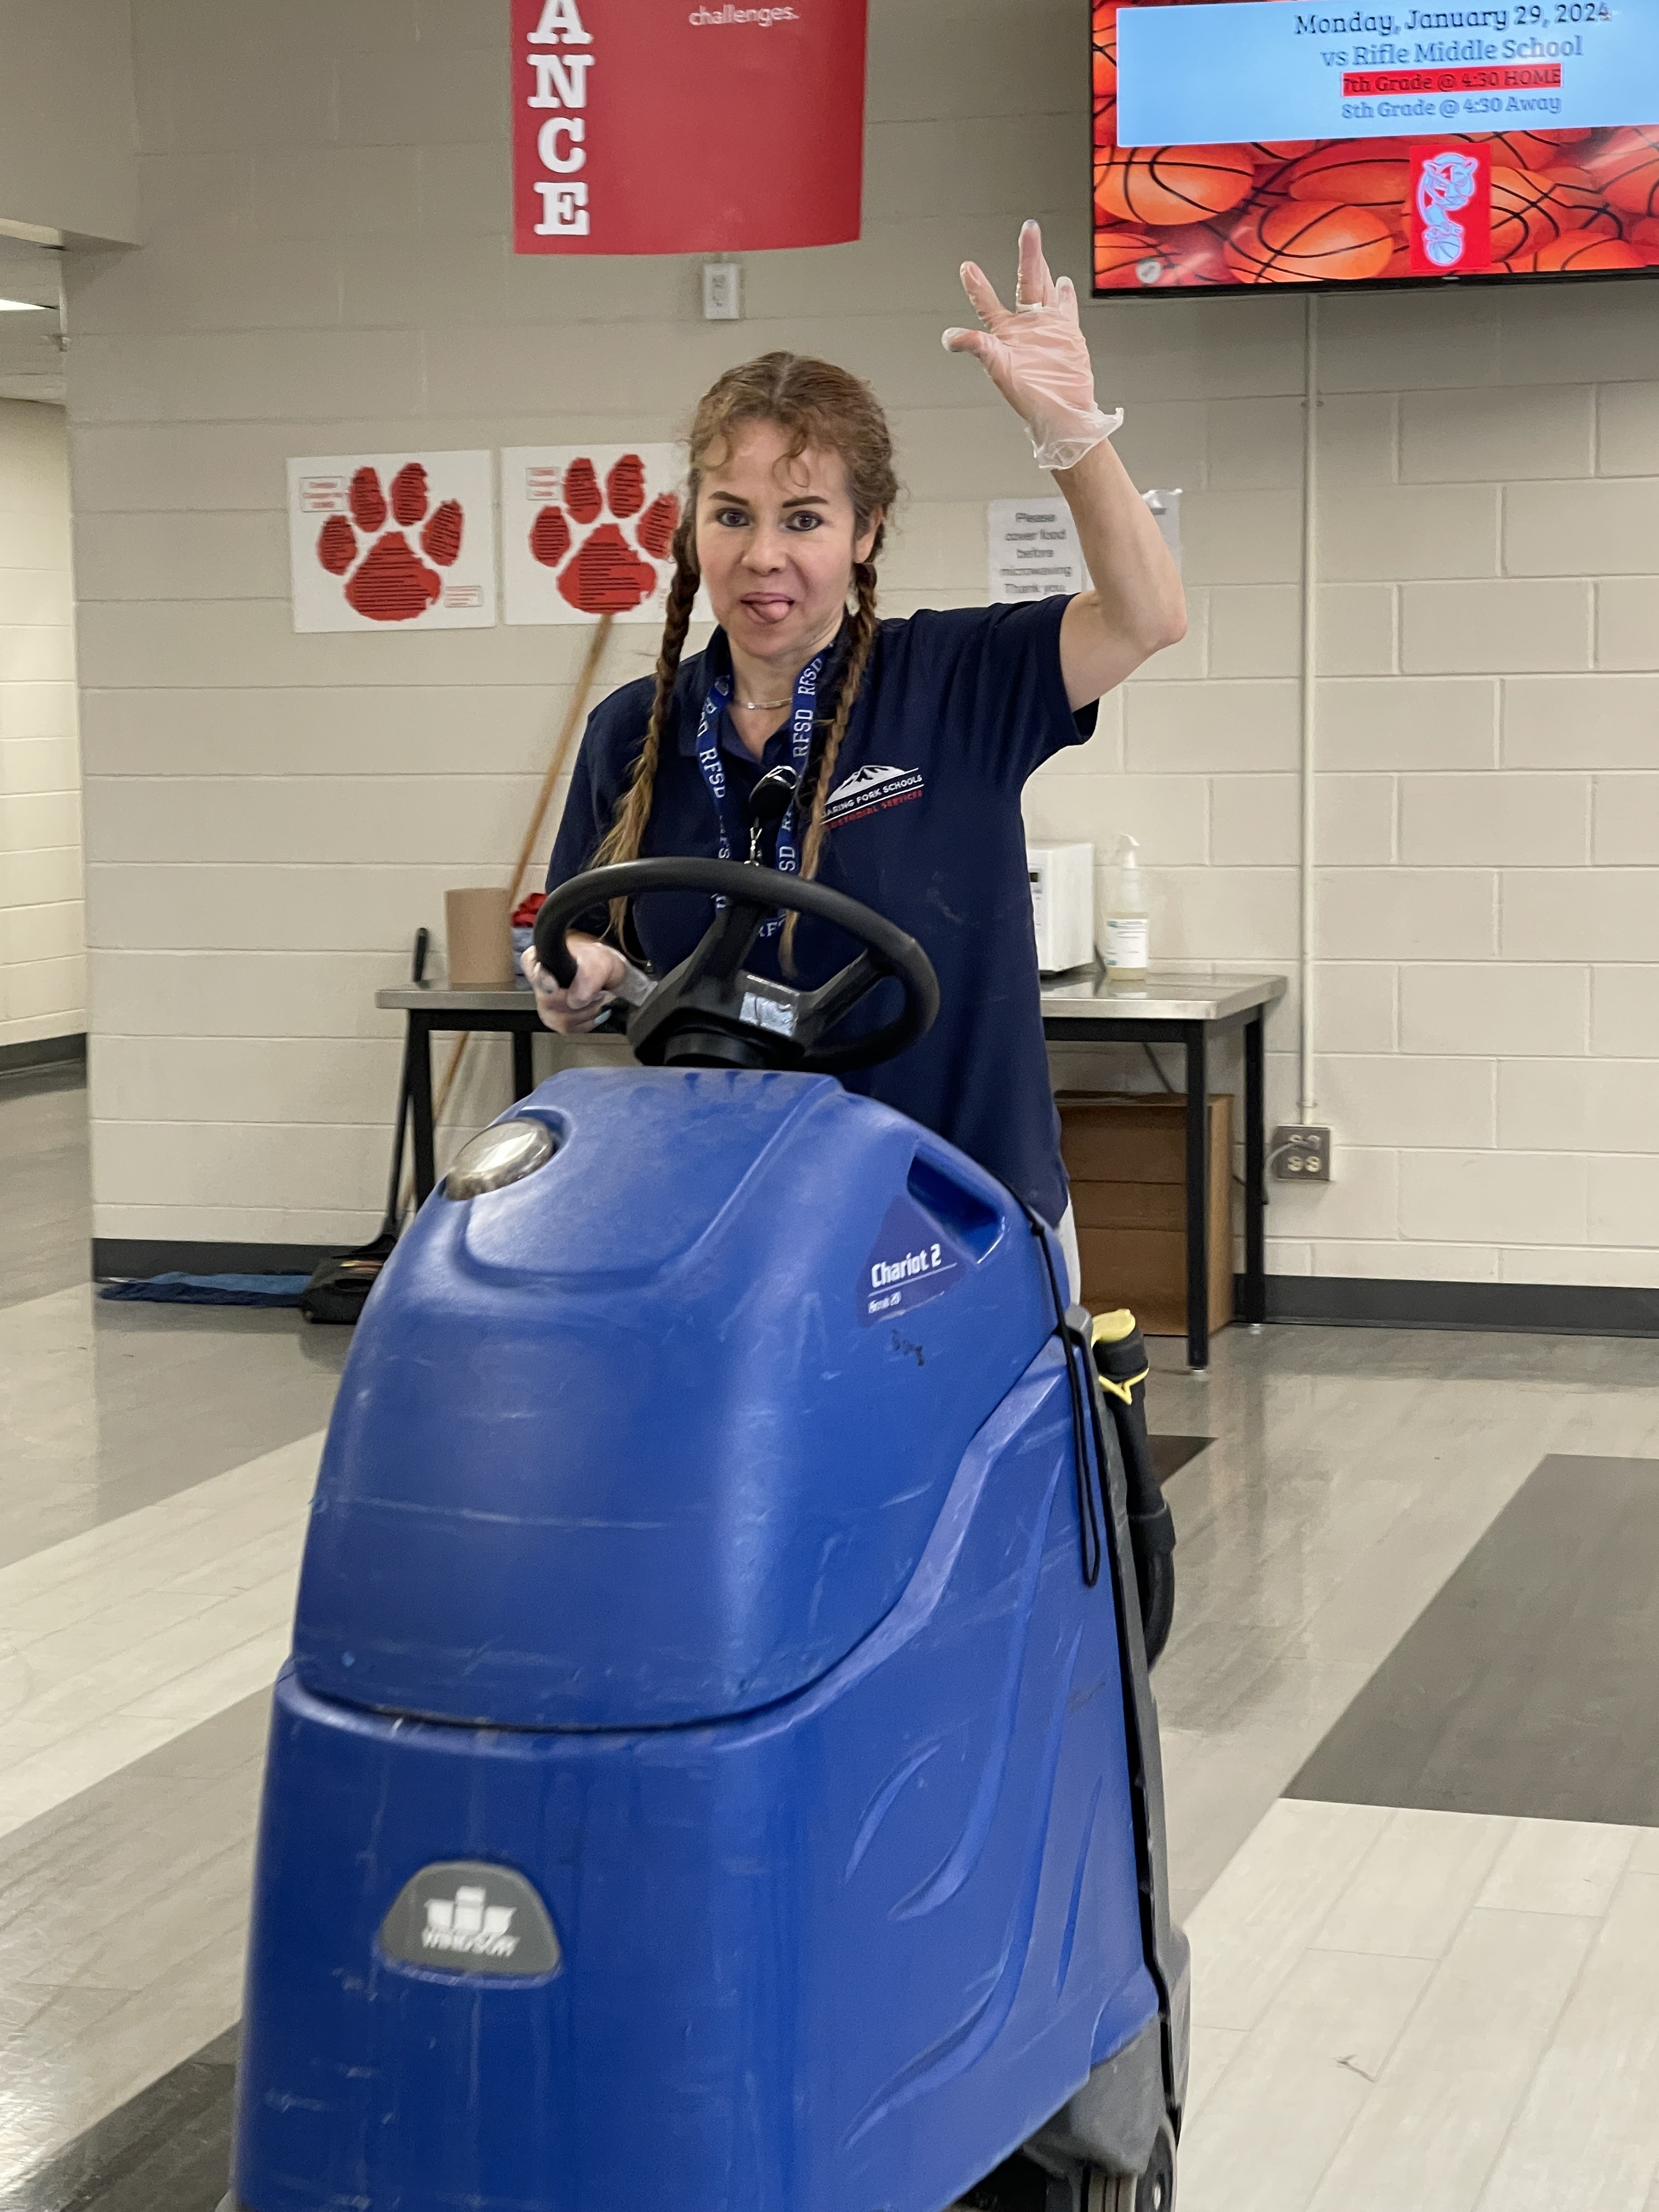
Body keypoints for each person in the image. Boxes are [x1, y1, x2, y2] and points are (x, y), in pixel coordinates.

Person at [523, 222, 1186, 1291]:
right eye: (732, 514)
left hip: (966, 1222)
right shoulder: (631, 732)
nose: (764, 554)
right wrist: (571, 981)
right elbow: (578, 951)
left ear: (865, 532)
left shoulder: (959, 680)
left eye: (805, 517)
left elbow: (1149, 614)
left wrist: (1073, 433)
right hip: (730, 1236)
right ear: (694, 525)